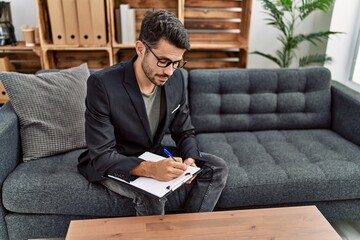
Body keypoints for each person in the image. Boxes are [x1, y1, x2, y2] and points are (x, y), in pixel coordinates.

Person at [78, 9, 228, 216]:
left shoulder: (176, 79)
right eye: (164, 61)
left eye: (177, 63)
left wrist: (189, 159)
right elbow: (102, 155)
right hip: (116, 159)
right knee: (151, 194)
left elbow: (184, 132)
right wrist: (150, 169)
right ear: (141, 48)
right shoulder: (102, 84)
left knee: (216, 167)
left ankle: (190, 231)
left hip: (152, 152)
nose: (169, 71)